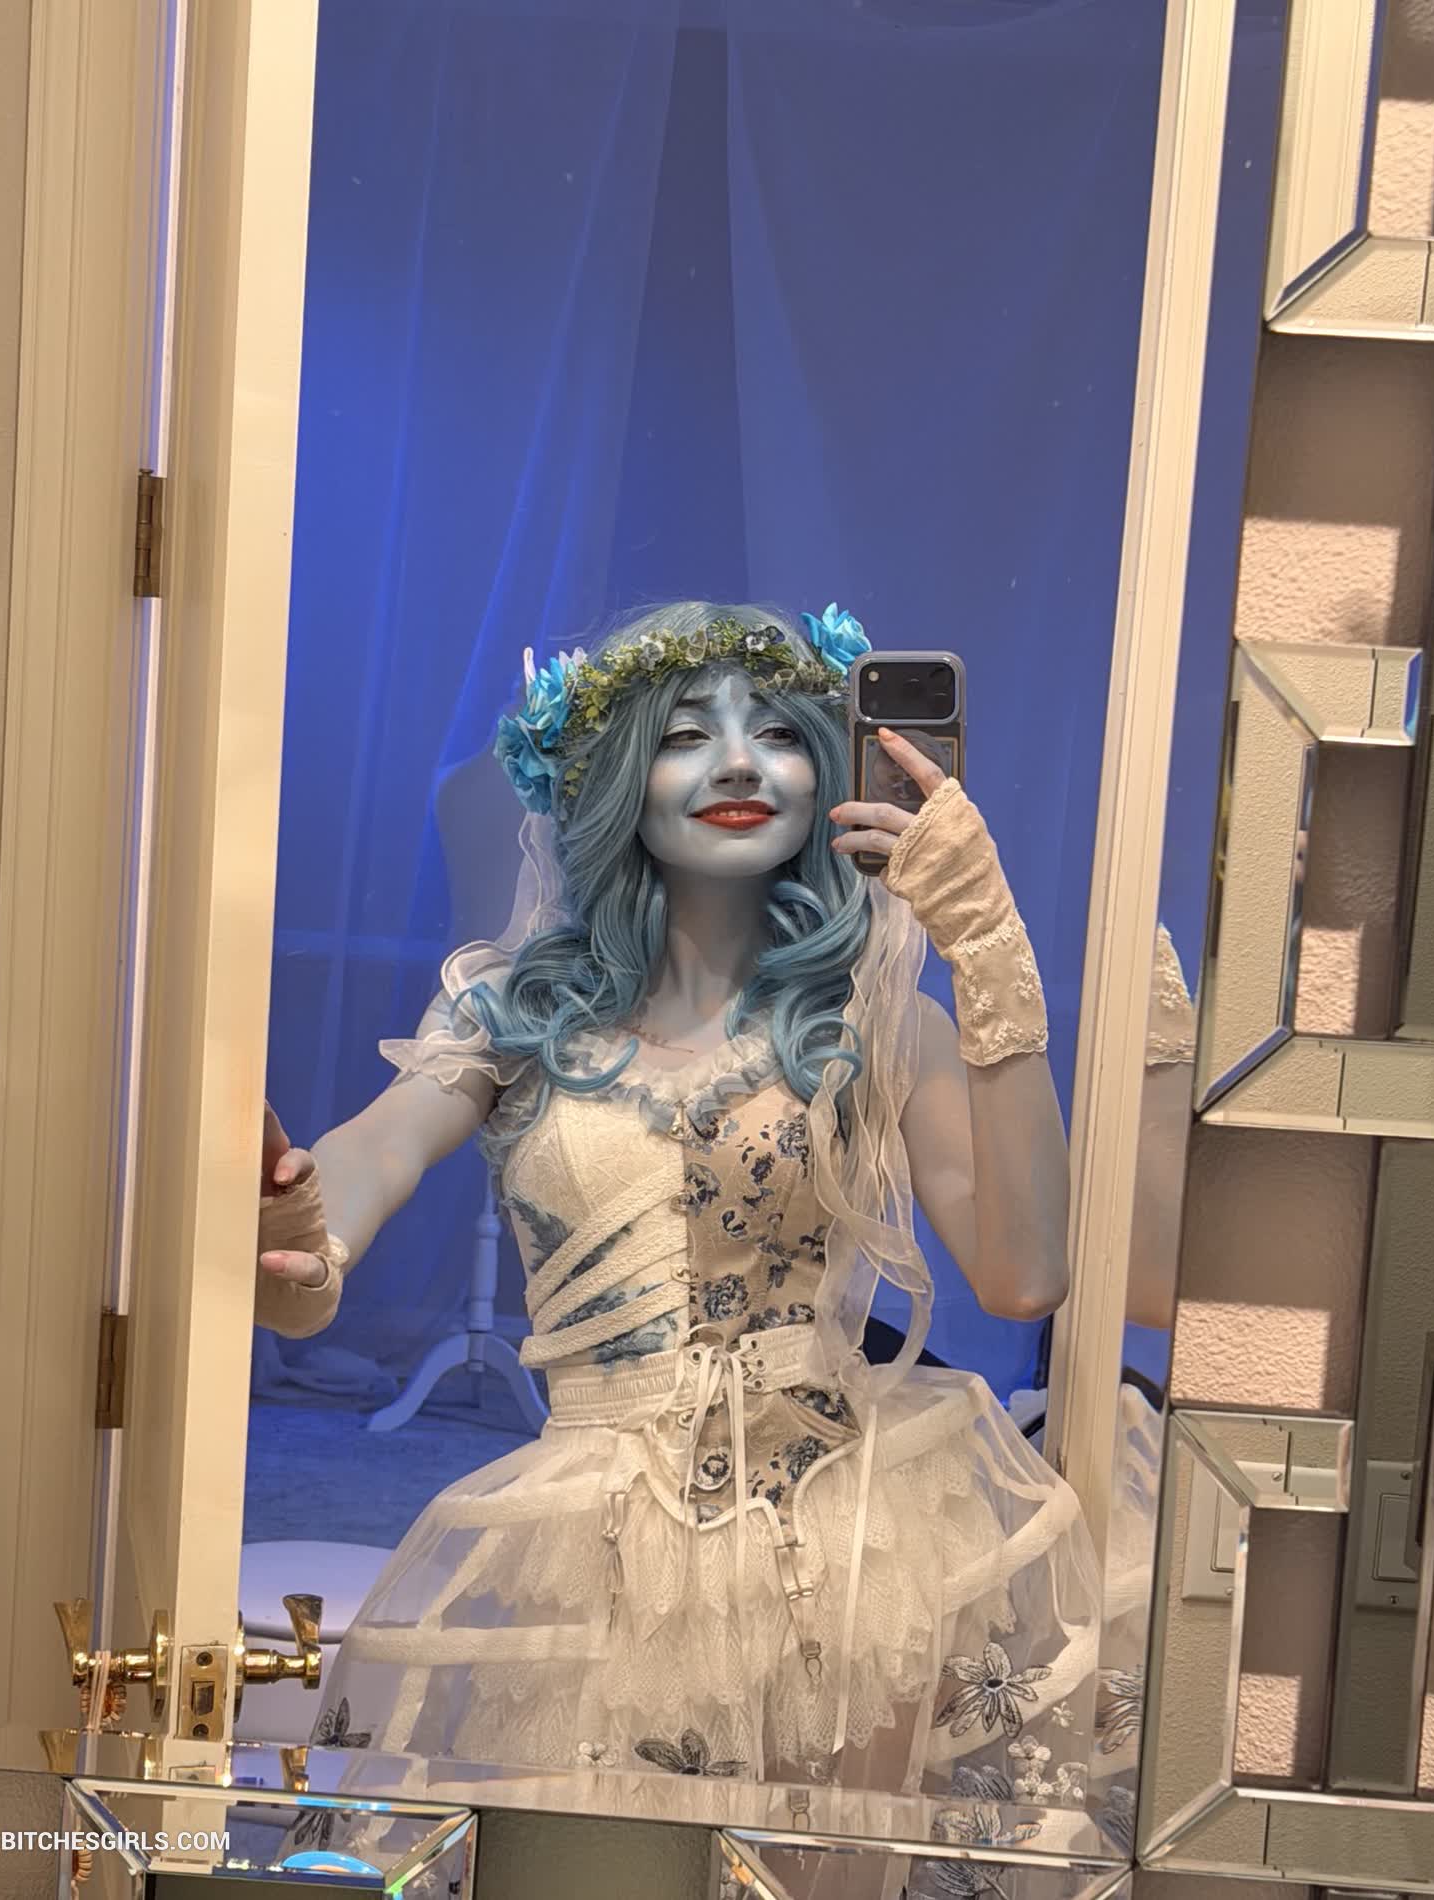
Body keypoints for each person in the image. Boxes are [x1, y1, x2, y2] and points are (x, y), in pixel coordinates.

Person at [256, 601, 1100, 1799]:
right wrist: (303, 1226)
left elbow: (1023, 1275)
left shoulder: (875, 1020)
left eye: (780, 733)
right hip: (595, 1549)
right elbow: (377, 1150)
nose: (741, 764)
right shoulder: (514, 1011)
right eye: (688, 734)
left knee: (810, 1870)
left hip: (849, 1554)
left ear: (824, 773)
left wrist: (987, 950)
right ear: (617, 778)